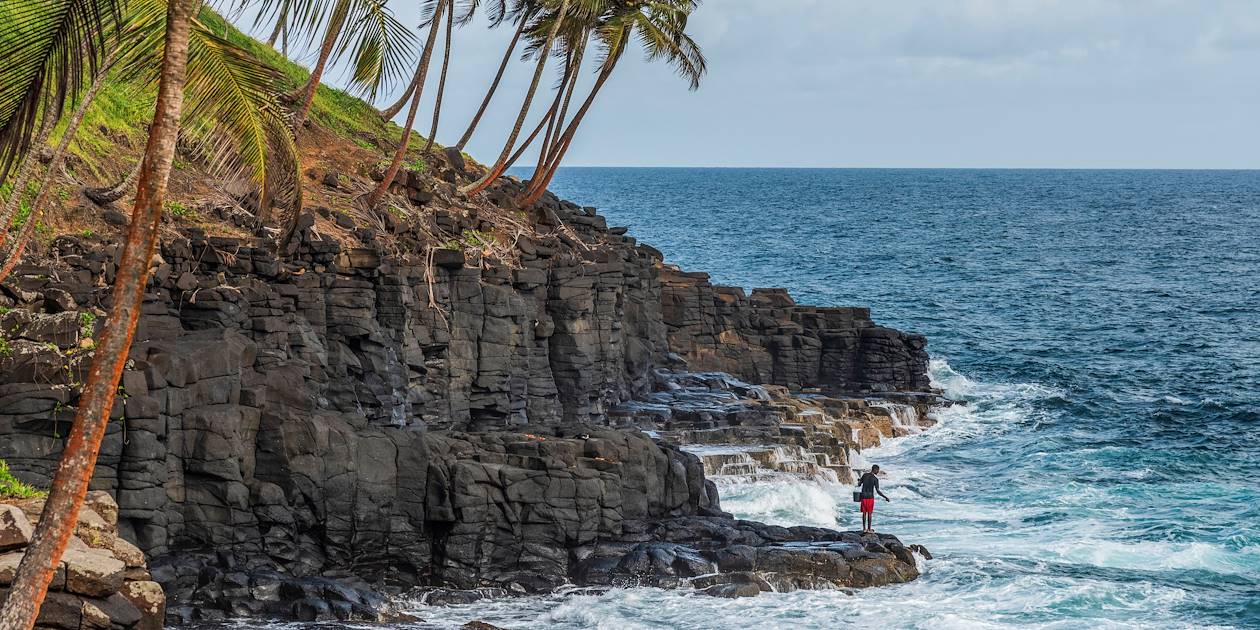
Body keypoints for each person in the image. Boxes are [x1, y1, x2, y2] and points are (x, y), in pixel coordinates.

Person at [858, 464, 890, 533]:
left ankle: (864, 529)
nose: (878, 472)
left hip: (863, 496)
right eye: (877, 470)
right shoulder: (875, 479)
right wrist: (885, 497)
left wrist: (859, 481)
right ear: (875, 469)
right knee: (869, 513)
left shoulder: (865, 475)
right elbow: (878, 491)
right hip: (870, 497)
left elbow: (859, 484)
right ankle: (869, 529)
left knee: (864, 513)